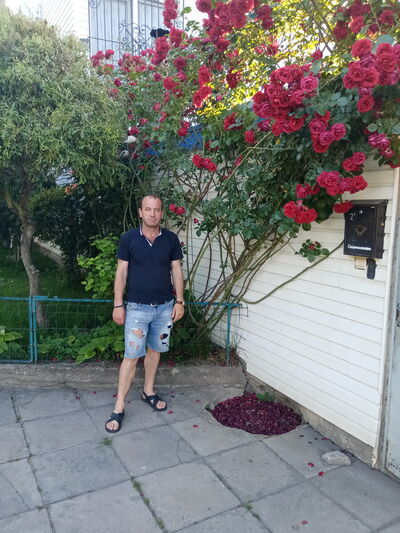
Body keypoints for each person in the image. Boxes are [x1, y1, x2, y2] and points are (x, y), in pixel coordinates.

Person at [105, 194, 185, 433]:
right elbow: (121, 272)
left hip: (164, 308)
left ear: (162, 213)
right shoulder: (129, 238)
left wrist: (179, 302)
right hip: (136, 308)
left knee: (155, 351)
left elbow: (176, 270)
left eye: (157, 209)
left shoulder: (171, 239)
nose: (152, 214)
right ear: (140, 212)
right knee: (131, 356)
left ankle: (148, 391)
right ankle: (119, 406)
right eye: (148, 209)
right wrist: (118, 305)